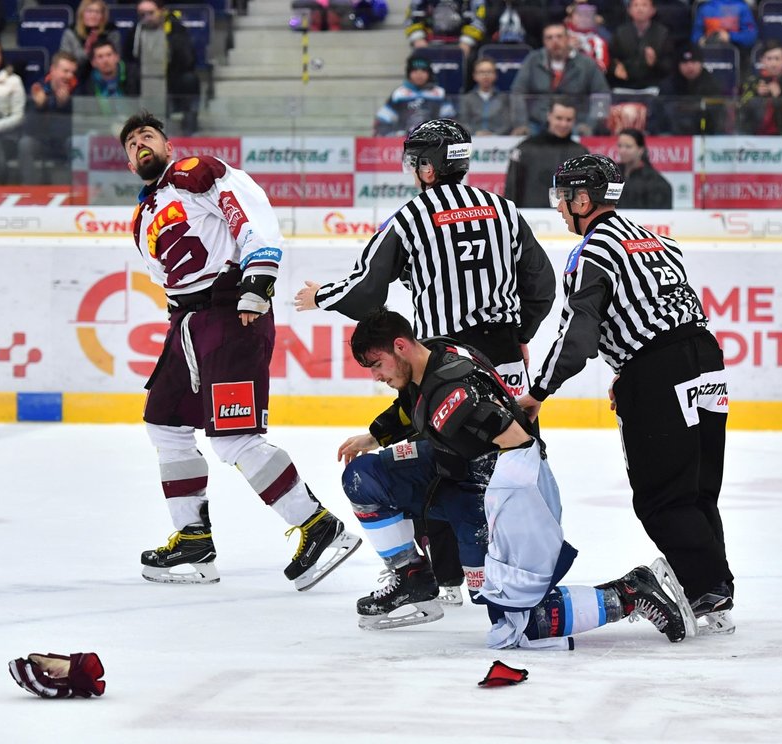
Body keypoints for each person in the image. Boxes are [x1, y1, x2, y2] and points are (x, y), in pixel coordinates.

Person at [293, 118, 557, 606]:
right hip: (501, 358)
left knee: (441, 460)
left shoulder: (412, 217)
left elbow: (367, 287)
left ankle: (448, 575)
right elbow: (541, 284)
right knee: (513, 462)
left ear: (429, 167)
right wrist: (518, 334)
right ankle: (523, 571)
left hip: (447, 361)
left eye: (415, 162)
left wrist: (320, 296)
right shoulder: (504, 209)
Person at [339, 307, 688, 647]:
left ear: (400, 346)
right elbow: (413, 404)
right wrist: (372, 438)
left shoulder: (456, 393)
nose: (376, 376)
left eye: (376, 365)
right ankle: (410, 576)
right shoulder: (435, 352)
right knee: (362, 477)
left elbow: (517, 443)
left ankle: (630, 592)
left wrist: (509, 521)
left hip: (499, 489)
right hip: (450, 467)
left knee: (520, 626)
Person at [119, 110, 361, 588]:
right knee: (164, 424)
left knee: (233, 437)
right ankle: (193, 540)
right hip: (188, 324)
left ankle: (319, 527)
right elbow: (162, 277)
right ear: (128, 162)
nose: (138, 144)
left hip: (231, 309)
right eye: (129, 143)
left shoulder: (195, 173)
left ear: (168, 145)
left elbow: (247, 211)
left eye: (147, 135)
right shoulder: (143, 214)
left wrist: (259, 278)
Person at [517, 154, 735, 638]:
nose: (557, 207)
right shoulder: (660, 239)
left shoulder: (593, 252)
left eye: (562, 196)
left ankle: (702, 588)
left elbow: (577, 340)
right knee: (698, 488)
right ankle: (713, 588)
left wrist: (536, 392)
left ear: (583, 199)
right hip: (706, 360)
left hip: (659, 373)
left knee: (661, 496)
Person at [510, 22, 610, 133]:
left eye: (559, 36)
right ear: (544, 42)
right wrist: (521, 124)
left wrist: (590, 125)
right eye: (549, 38)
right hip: (537, 123)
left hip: (575, 124)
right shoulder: (532, 60)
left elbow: (602, 96)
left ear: (568, 39)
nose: (555, 41)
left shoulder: (587, 63)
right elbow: (517, 92)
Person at [125, 0, 200, 135]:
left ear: (161, 10)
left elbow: (188, 59)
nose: (146, 18)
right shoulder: (135, 32)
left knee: (190, 80)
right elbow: (129, 59)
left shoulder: (176, 29)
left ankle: (188, 128)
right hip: (143, 79)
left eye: (150, 13)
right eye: (142, 14)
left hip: (171, 78)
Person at [504, 99, 588, 208]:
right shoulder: (526, 149)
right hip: (530, 217)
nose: (563, 124)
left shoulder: (581, 153)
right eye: (559, 118)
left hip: (569, 219)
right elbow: (512, 189)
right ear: (549, 116)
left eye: (568, 120)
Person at [19, 51, 79, 185]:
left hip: (65, 141)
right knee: (25, 144)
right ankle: (29, 188)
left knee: (75, 143)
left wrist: (63, 105)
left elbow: (78, 127)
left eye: (72, 72)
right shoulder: (38, 88)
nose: (70, 76)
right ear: (53, 70)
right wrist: (39, 107)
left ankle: (75, 188)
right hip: (42, 140)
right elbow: (28, 128)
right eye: (65, 71)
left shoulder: (78, 90)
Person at [649, 43, 727, 135]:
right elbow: (659, 116)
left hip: (704, 134)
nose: (689, 67)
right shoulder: (668, 86)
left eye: (693, 62)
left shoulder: (713, 86)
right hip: (673, 137)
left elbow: (718, 117)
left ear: (701, 63)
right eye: (685, 63)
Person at [737, 40, 782, 136]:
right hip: (753, 138)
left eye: (777, 59)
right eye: (769, 59)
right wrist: (757, 95)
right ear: (762, 60)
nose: (773, 64)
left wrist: (779, 98)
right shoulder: (750, 83)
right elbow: (741, 110)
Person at [374, 53, 455, 136]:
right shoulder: (399, 94)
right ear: (408, 73)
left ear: (429, 73)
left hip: (434, 142)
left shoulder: (439, 93)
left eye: (423, 71)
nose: (419, 75)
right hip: (403, 141)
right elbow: (383, 119)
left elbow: (449, 121)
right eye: (415, 71)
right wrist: (391, 136)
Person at [608, 0, 673, 91]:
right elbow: (611, 57)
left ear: (653, 10)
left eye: (644, 5)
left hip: (653, 85)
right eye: (635, 5)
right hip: (624, 85)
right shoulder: (620, 32)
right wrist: (615, 67)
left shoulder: (662, 33)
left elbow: (669, 65)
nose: (640, 9)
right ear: (629, 10)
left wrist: (655, 62)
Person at [455, 56, 528, 135]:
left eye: (489, 72)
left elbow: (507, 124)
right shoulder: (466, 99)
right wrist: (475, 133)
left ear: (495, 75)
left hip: (499, 141)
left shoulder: (504, 98)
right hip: (473, 140)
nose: (486, 75)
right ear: (474, 76)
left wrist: (494, 135)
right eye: (481, 72)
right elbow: (463, 122)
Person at [59, 0, 122, 80]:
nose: (93, 15)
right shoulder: (71, 32)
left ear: (103, 16)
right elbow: (66, 62)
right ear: (82, 14)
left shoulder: (111, 32)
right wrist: (87, 51)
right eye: (89, 11)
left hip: (105, 77)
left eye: (97, 12)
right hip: (76, 77)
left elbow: (117, 60)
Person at [690, 0, 757, 71]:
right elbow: (695, 35)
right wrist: (700, 40)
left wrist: (730, 36)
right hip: (708, 55)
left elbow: (751, 37)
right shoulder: (705, 8)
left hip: (736, 55)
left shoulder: (742, 7)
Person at [615, 127, 671, 209]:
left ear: (640, 150)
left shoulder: (655, 182)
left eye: (628, 147)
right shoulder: (613, 174)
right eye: (620, 146)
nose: (622, 150)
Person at [406, 0, 486, 56]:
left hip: (461, 44)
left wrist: (467, 41)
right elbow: (412, 15)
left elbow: (479, 17)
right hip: (429, 43)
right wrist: (418, 38)